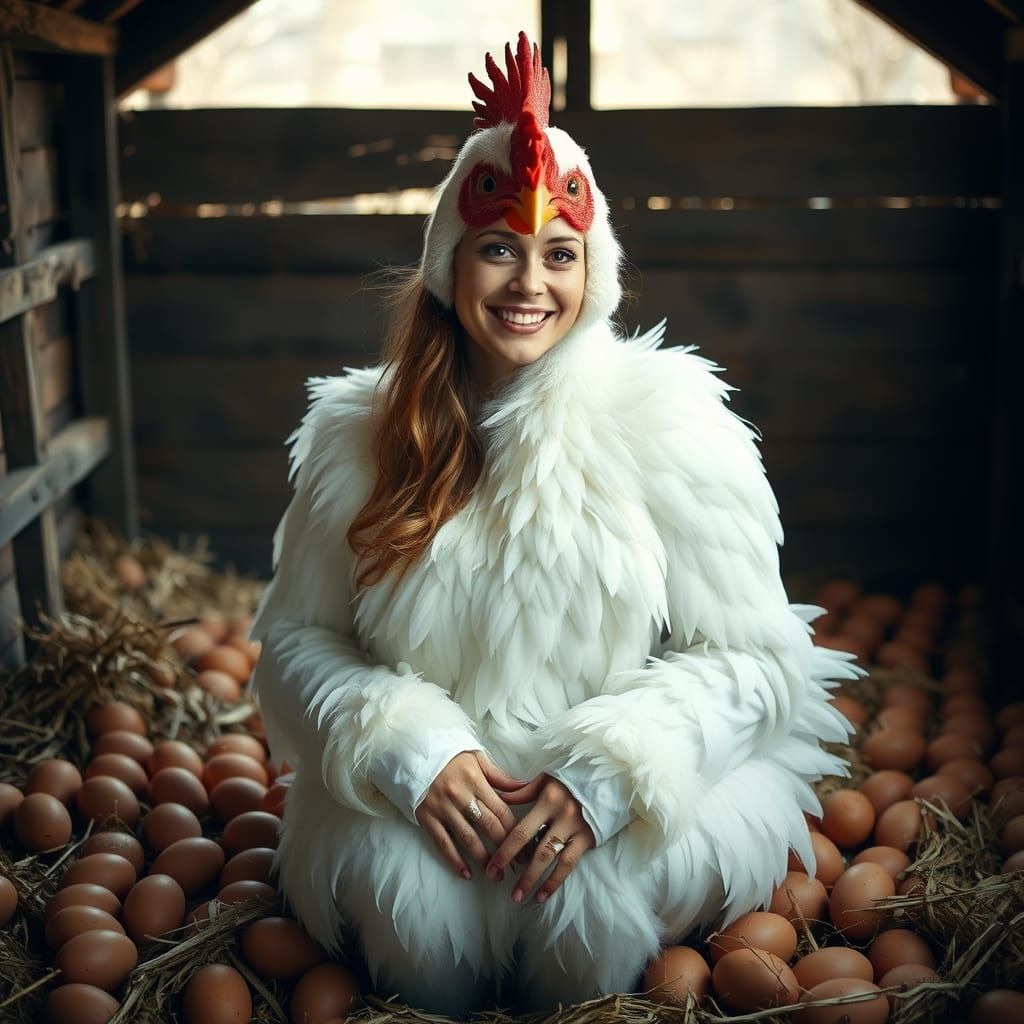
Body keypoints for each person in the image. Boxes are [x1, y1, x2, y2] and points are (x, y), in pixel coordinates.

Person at [248, 31, 862, 1018]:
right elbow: (294, 640)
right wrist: (409, 750)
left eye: (558, 254)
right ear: (451, 264)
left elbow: (757, 662)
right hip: (430, 798)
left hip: (624, 791)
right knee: (414, 926)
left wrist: (608, 773)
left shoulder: (674, 423)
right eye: (498, 249)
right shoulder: (354, 438)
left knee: (589, 920)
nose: (529, 283)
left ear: (594, 270)